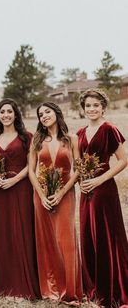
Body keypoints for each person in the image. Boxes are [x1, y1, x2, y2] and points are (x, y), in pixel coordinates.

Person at [77, 88, 128, 308]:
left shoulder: (109, 129)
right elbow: (78, 164)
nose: (92, 109)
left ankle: (113, 288)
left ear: (103, 107)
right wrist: (82, 181)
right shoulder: (80, 133)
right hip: (85, 191)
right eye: (88, 105)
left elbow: (123, 160)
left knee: (106, 236)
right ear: (83, 109)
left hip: (104, 190)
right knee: (88, 234)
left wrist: (98, 181)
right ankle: (94, 286)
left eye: (96, 105)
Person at [29, 102, 83, 305]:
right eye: (40, 114)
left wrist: (60, 193)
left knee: (66, 241)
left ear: (56, 113)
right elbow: (31, 171)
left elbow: (77, 170)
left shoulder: (72, 139)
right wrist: (42, 195)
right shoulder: (37, 140)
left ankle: (71, 291)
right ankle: (51, 288)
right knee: (46, 241)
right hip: (41, 195)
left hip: (65, 193)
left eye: (47, 112)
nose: (44, 116)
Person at [0, 98, 40, 300]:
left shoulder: (27, 137)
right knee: (2, 233)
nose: (6, 115)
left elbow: (32, 165)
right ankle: (5, 285)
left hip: (21, 188)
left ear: (16, 114)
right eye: (2, 112)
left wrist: (15, 179)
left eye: (9, 111)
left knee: (22, 231)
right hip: (0, 191)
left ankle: (22, 285)